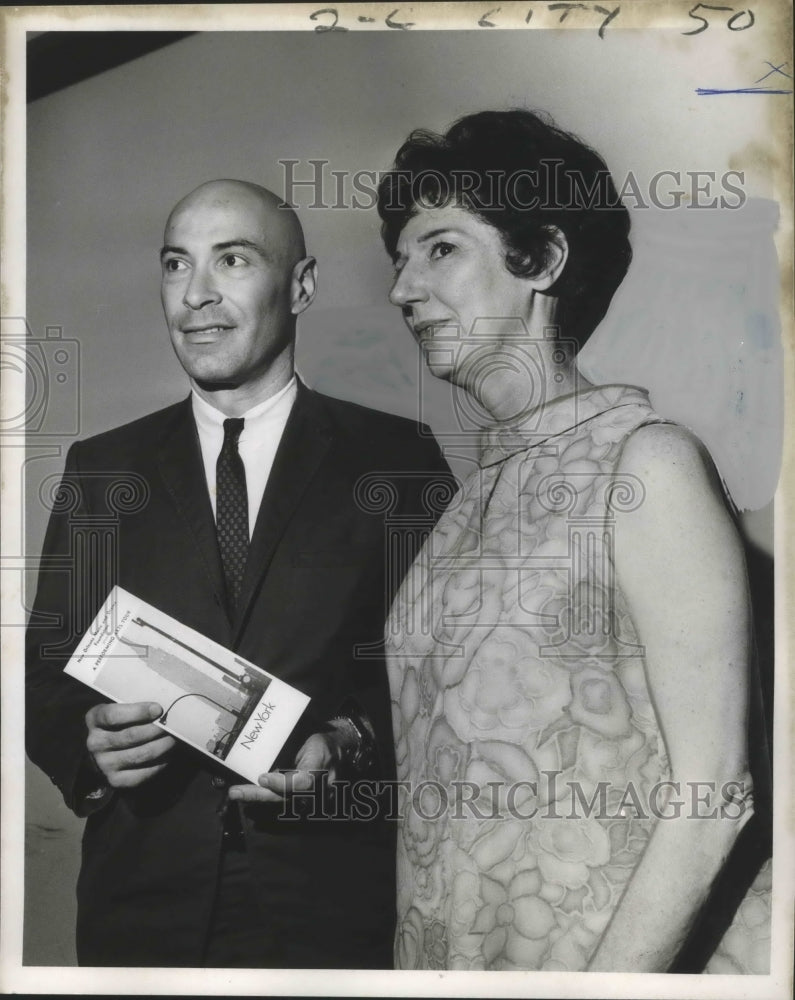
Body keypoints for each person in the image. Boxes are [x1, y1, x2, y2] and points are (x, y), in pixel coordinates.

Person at [376, 110, 772, 972]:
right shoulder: (457, 509)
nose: (403, 288)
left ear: (544, 259)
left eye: (439, 248)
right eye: (400, 259)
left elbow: (715, 796)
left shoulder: (647, 464)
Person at [25, 179, 451, 968]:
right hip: (140, 913)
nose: (197, 295)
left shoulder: (398, 460)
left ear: (301, 285)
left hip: (333, 910)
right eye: (175, 264)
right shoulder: (100, 469)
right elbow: (47, 672)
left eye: (232, 260)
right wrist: (89, 750)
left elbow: (456, 682)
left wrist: (349, 743)